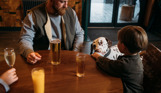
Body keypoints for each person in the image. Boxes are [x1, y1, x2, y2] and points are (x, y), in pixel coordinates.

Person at [18, 0, 84, 64]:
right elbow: (25, 38)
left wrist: (75, 52)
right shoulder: (33, 15)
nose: (66, 6)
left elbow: (79, 33)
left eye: (67, 1)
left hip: (67, 57)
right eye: (62, 1)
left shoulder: (71, 13)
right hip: (42, 59)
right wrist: (29, 52)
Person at [91, 25, 148, 93]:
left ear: (123, 46)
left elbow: (109, 65)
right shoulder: (135, 57)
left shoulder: (125, 65)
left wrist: (98, 56)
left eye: (119, 41)